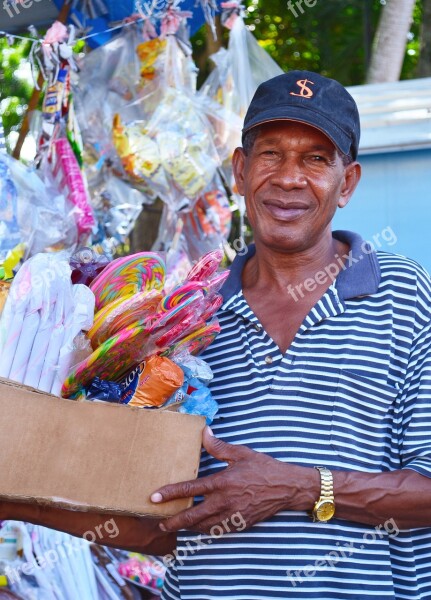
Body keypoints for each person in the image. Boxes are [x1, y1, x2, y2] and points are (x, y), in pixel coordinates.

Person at [1, 70, 431, 599]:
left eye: (316, 159)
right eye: (271, 154)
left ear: (347, 183)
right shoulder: (185, 317)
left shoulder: (403, 295)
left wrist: (297, 488)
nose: (289, 178)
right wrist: (15, 501)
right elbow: (165, 520)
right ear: (240, 170)